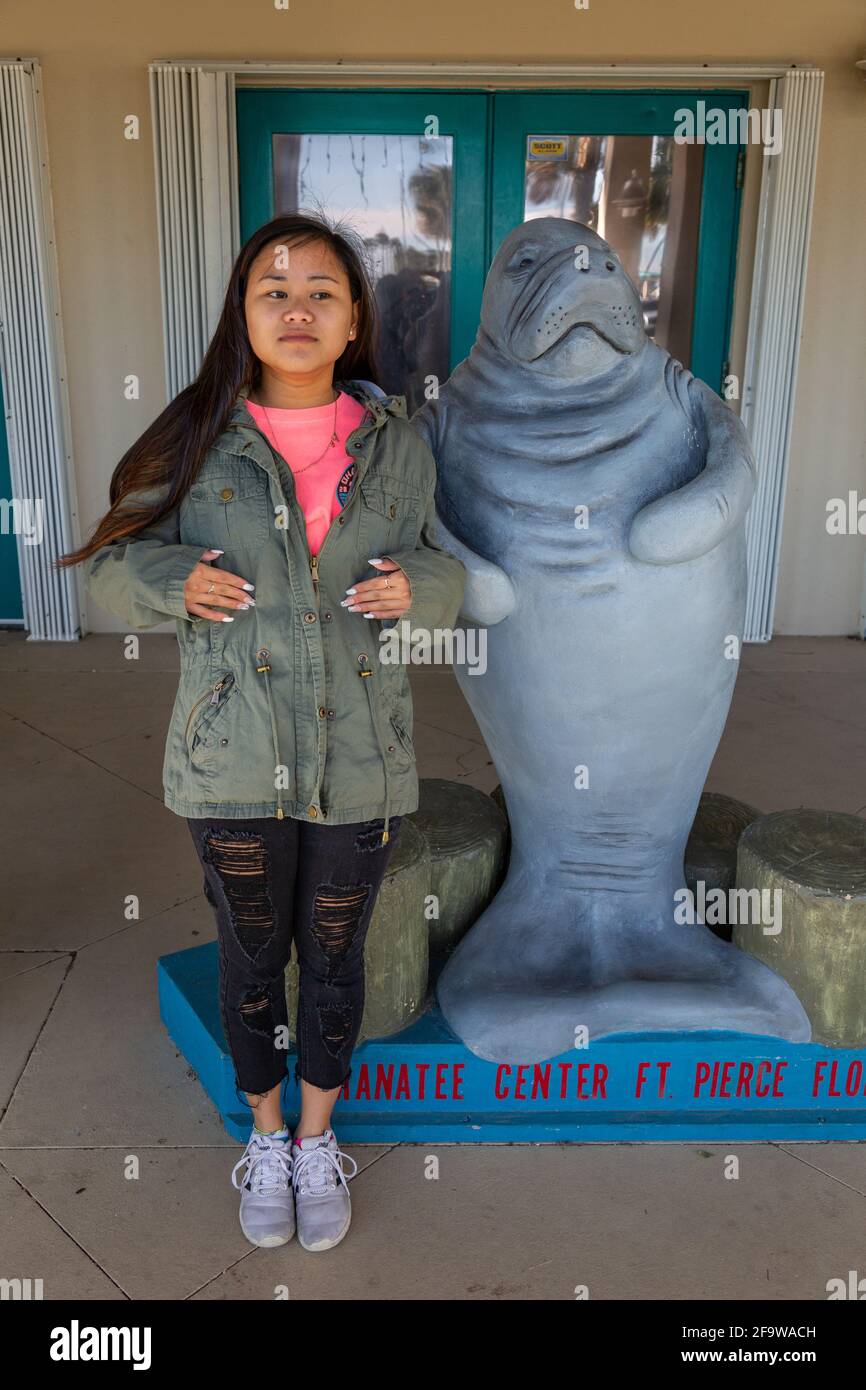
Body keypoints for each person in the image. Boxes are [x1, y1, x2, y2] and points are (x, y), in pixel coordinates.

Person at [58, 211, 466, 1253]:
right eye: (272, 290)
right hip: (232, 759)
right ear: (241, 313)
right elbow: (111, 564)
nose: (297, 309)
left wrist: (417, 589)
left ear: (353, 320)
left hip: (359, 760)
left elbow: (443, 563)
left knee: (333, 954)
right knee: (250, 958)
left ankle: (318, 1140)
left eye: (321, 292)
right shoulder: (197, 435)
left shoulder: (396, 443)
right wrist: (171, 581)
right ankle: (268, 1132)